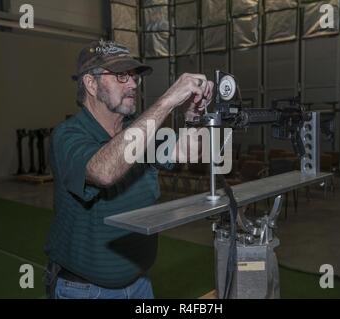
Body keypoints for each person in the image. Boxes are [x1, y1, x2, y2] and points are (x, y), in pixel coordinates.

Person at [44, 39, 214, 299]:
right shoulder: (67, 136)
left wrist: (195, 115)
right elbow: (102, 172)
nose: (133, 84)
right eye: (121, 76)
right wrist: (168, 100)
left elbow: (189, 151)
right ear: (91, 84)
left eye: (134, 76)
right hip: (85, 291)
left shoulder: (137, 130)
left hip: (140, 284)